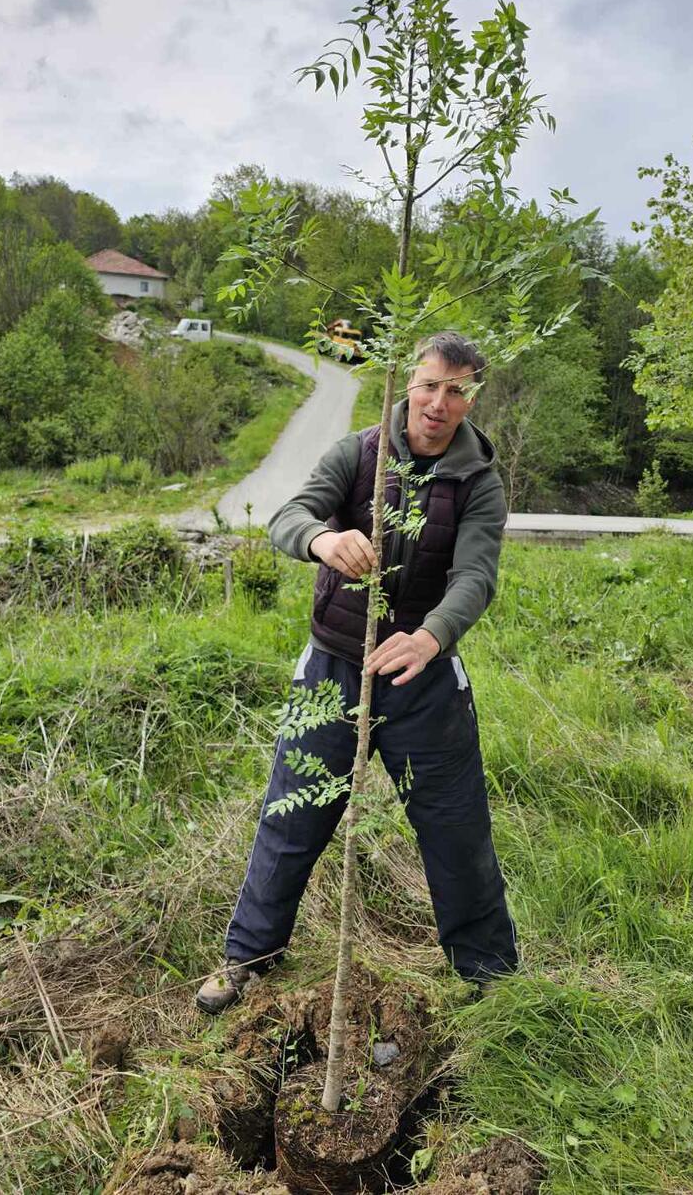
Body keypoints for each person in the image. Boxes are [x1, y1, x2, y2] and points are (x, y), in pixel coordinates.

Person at [196, 331, 517, 1013]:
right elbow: (290, 516)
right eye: (430, 383)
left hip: (421, 680)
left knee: (456, 826)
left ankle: (491, 977)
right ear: (408, 383)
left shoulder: (479, 482)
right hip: (332, 670)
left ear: (471, 399)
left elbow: (476, 577)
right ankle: (246, 957)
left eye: (457, 389)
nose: (439, 401)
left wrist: (431, 638)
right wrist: (323, 538)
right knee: (293, 811)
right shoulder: (360, 453)